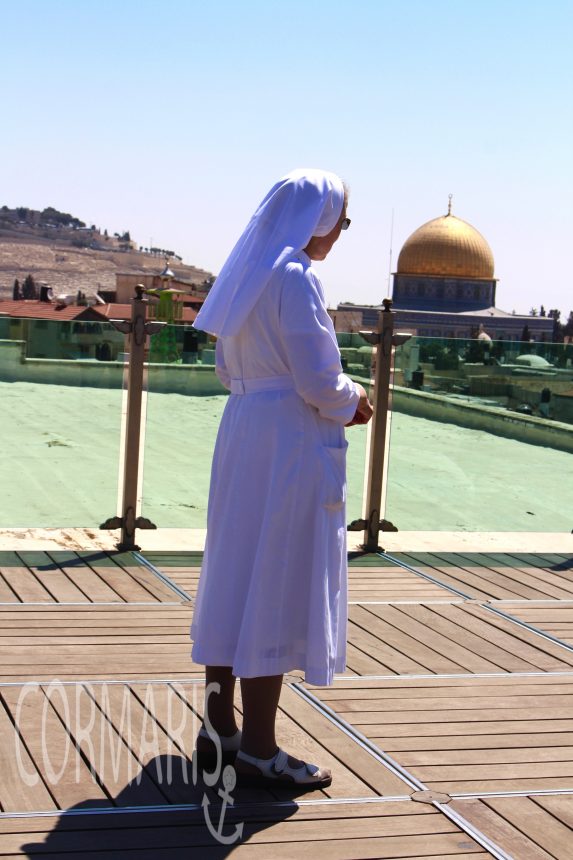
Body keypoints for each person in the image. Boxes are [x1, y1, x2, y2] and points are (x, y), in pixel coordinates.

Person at [190, 168, 373, 790]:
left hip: (244, 432)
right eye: (341, 221)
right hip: (288, 443)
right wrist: (356, 399)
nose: (340, 233)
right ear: (318, 218)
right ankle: (262, 749)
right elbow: (319, 381)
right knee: (275, 576)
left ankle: (220, 728)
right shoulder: (294, 276)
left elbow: (227, 367)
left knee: (235, 572)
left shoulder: (245, 273)